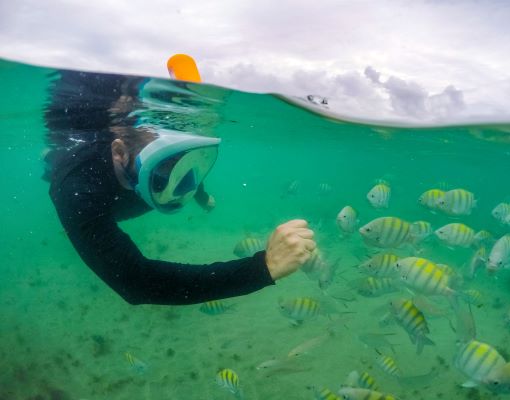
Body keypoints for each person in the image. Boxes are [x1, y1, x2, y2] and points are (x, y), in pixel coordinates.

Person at [44, 69, 316, 306]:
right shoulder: (77, 190)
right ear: (120, 153)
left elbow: (185, 165)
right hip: (91, 189)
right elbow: (136, 283)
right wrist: (263, 268)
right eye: (161, 171)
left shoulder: (165, 166)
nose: (182, 185)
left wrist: (201, 194)